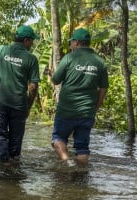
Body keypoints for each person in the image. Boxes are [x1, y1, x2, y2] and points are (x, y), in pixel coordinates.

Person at [50, 28, 109, 165]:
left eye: (72, 42)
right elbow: (103, 88)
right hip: (87, 111)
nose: (70, 44)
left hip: (66, 110)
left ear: (77, 42)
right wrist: (96, 107)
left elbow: (56, 80)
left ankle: (67, 162)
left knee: (58, 138)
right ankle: (81, 176)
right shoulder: (100, 62)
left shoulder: (69, 58)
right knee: (82, 147)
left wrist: (52, 75)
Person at [0, 25, 40, 164]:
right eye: (32, 40)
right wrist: (28, 106)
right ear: (26, 40)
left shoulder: (0, 50)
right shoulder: (31, 59)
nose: (32, 44)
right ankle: (14, 170)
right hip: (19, 104)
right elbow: (33, 87)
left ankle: (2, 167)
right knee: (15, 140)